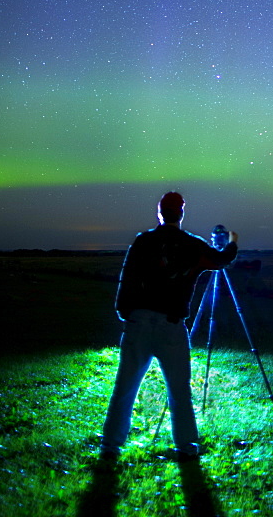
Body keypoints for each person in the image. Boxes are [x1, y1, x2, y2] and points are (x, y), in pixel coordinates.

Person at [100, 191, 238, 462]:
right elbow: (221, 261)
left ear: (159, 213)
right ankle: (186, 447)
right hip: (171, 325)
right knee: (179, 390)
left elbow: (126, 279)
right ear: (182, 213)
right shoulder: (193, 245)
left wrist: (125, 313)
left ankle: (110, 447)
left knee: (125, 387)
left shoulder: (142, 242)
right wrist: (231, 242)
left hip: (138, 322)